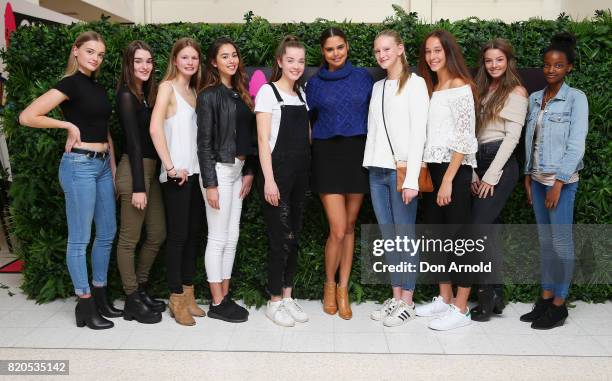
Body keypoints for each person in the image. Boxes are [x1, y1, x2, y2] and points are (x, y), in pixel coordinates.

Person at [19, 31, 120, 329]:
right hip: (79, 166)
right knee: (80, 239)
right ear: (75, 51)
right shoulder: (70, 83)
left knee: (107, 233)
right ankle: (85, 304)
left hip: (101, 166)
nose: (95, 58)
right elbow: (28, 116)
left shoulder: (96, 86)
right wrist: (67, 125)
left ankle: (100, 296)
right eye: (90, 51)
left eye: (100, 54)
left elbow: (105, 130)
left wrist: (113, 169)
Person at [520, 32, 588, 330]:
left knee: (561, 244)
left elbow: (576, 145)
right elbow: (529, 141)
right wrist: (526, 174)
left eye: (558, 66)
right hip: (536, 178)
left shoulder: (576, 99)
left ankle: (559, 305)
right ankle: (545, 298)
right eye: (547, 65)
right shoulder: (536, 99)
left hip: (560, 182)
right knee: (546, 243)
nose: (551, 70)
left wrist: (558, 183)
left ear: (568, 67)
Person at [305, 27, 373, 320]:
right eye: (330, 49)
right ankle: (329, 285)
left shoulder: (363, 78)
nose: (336, 53)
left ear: (347, 47)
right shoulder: (314, 84)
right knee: (336, 227)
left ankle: (344, 289)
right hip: (327, 156)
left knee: (350, 226)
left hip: (358, 154)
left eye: (340, 47)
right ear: (323, 52)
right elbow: (305, 124)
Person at [365, 30, 429, 327]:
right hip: (376, 170)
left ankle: (408, 301)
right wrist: (370, 165)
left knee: (405, 237)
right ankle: (395, 296)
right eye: (378, 51)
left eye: (387, 49)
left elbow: (419, 134)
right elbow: (374, 131)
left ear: (400, 49)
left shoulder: (416, 85)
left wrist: (412, 178)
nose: (382, 55)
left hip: (401, 172)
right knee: (390, 240)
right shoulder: (378, 87)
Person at [415, 30, 478, 331]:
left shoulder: (461, 87)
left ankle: (462, 308)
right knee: (436, 237)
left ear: (449, 51)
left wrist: (449, 180)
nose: (432, 56)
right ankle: (445, 297)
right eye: (428, 52)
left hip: (455, 171)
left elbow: (465, 139)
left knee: (460, 241)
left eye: (437, 50)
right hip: (434, 171)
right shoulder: (434, 87)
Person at [196, 37, 256, 323]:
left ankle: (225, 295)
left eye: (234, 55)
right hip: (218, 171)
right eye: (224, 56)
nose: (231, 60)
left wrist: (248, 171)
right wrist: (210, 184)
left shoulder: (240, 92)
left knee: (232, 238)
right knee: (218, 237)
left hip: (237, 171)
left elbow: (249, 137)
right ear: (213, 62)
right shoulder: (208, 95)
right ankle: (217, 301)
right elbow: (204, 143)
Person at [469, 38, 528, 322]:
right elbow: (470, 133)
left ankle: (485, 294)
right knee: (488, 229)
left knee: (477, 227)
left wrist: (492, 175)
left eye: (499, 60)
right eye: (490, 60)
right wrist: (472, 170)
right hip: (478, 160)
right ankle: (497, 295)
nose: (494, 65)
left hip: (500, 164)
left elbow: (512, 138)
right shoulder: (480, 89)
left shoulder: (516, 91)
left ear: (508, 62)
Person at [255, 36, 310, 327]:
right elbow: (263, 141)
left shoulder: (302, 95)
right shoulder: (267, 92)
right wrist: (269, 180)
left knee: (294, 237)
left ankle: (288, 296)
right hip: (278, 174)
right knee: (279, 240)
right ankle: (274, 300)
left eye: (301, 61)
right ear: (279, 61)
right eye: (290, 60)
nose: (296, 66)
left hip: (301, 174)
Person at [150, 37, 205, 326]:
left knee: (193, 235)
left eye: (194, 58)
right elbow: (155, 128)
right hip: (177, 176)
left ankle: (188, 293)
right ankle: (175, 297)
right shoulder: (167, 88)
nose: (190, 62)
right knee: (178, 237)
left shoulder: (194, 90)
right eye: (185, 57)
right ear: (175, 60)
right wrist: (170, 168)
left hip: (195, 173)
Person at [115, 40, 166, 324]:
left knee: (158, 233)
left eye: (148, 61)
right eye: (138, 61)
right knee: (128, 239)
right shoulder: (126, 95)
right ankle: (131, 297)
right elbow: (134, 145)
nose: (144, 66)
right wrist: (137, 186)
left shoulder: (146, 94)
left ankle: (142, 286)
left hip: (151, 171)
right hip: (133, 171)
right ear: (128, 65)